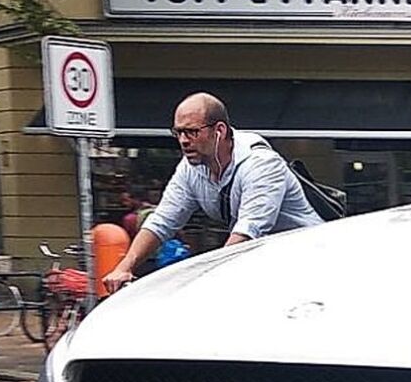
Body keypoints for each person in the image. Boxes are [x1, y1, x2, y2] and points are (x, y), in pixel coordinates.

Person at [100, 92, 318, 294]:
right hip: (265, 261)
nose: (184, 141)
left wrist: (206, 277)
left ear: (219, 131)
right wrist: (124, 268)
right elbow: (162, 221)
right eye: (178, 132)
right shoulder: (191, 168)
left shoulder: (260, 164)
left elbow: (247, 233)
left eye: (192, 132)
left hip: (307, 261)